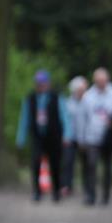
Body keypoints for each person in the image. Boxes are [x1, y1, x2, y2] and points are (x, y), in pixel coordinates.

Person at [16, 69, 68, 202]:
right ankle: (37, 192)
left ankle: (56, 191)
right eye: (39, 83)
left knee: (55, 164)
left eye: (43, 82)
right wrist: (21, 138)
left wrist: (67, 135)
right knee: (35, 162)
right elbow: (25, 119)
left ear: (48, 83)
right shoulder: (30, 98)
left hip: (54, 136)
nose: (41, 85)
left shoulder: (57, 97)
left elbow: (65, 117)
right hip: (37, 136)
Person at [78, 67, 112, 206]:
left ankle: (106, 196)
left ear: (107, 80)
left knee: (107, 167)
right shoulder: (88, 96)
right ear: (95, 81)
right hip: (92, 137)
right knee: (91, 165)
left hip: (109, 137)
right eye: (98, 80)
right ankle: (91, 195)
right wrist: (81, 138)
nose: (101, 83)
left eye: (103, 80)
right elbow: (82, 118)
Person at [61, 75, 89, 198]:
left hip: (85, 138)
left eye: (83, 89)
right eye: (79, 89)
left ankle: (87, 187)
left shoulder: (88, 102)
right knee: (68, 162)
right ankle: (67, 186)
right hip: (71, 138)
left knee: (86, 164)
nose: (81, 92)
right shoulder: (68, 103)